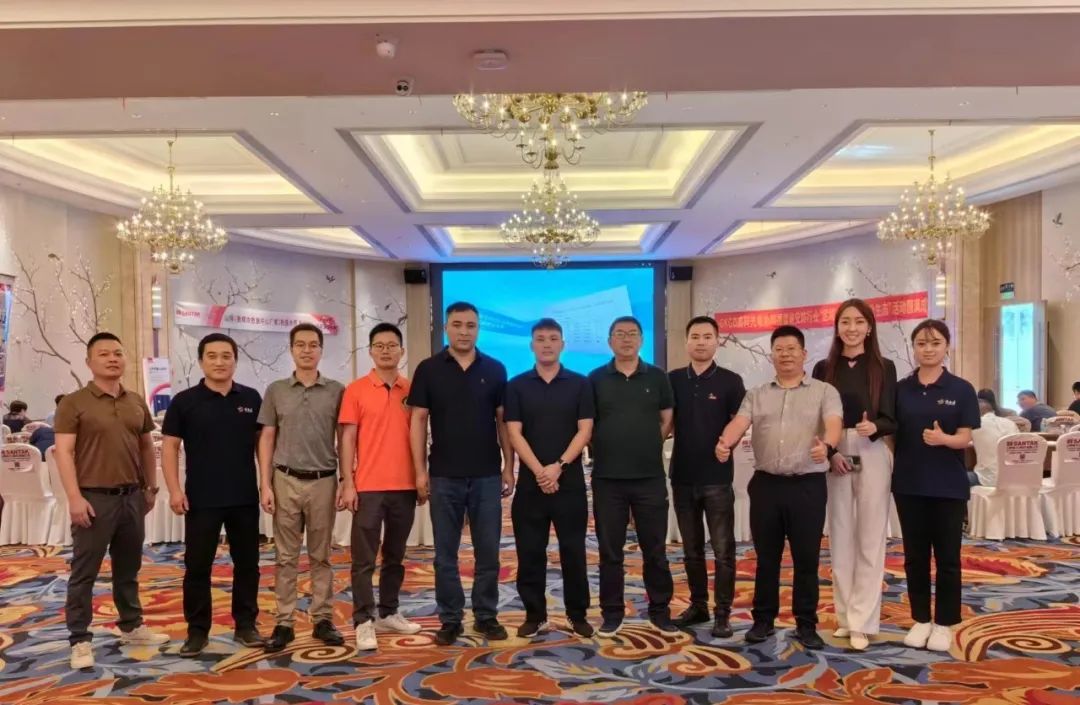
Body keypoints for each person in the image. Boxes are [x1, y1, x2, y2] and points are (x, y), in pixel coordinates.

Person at [715, 325, 842, 650]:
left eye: (791, 349)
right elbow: (739, 422)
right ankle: (763, 621)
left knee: (806, 559)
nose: (785, 355)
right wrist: (725, 442)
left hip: (807, 486)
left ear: (804, 354)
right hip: (767, 486)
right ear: (771, 355)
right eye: (779, 350)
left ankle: (806, 624)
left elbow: (834, 423)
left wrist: (827, 446)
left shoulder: (824, 391)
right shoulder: (757, 393)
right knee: (766, 558)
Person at [53, 332, 168, 670]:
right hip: (93, 498)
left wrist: (150, 488)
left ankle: (131, 626)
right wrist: (74, 498)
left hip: (132, 497)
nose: (113, 358)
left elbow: (146, 446)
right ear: (89, 362)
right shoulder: (73, 403)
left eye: (118, 353)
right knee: (84, 572)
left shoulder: (136, 401)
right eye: (104, 354)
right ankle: (79, 639)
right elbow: (64, 452)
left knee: (128, 568)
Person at [409, 302, 514, 646]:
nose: (464, 331)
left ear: (478, 329)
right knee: (445, 556)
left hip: (486, 476)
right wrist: (419, 471)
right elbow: (418, 421)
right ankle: (450, 619)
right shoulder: (428, 369)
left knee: (488, 553)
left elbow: (502, 422)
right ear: (446, 328)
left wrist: (509, 465)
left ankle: (486, 616)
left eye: (471, 325)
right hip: (443, 476)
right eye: (457, 324)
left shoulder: (495, 369)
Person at [161, 333, 266, 657]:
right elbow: (170, 447)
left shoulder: (251, 398)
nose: (219, 362)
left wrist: (266, 485)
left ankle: (246, 624)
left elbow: (262, 445)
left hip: (244, 497)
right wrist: (174, 490)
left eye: (226, 356)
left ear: (235, 360)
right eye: (212, 356)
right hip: (201, 498)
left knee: (248, 565)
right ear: (201, 361)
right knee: (197, 567)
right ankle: (197, 631)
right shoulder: (184, 401)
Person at [811, 299, 897, 651]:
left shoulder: (884, 367)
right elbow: (816, 418)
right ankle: (846, 617)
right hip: (834, 452)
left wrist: (874, 427)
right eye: (845, 322)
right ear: (836, 327)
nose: (851, 328)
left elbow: (891, 418)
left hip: (872, 449)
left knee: (871, 535)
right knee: (840, 534)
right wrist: (831, 454)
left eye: (858, 322)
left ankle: (864, 620)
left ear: (869, 327)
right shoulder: (823, 368)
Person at [892, 319, 979, 653]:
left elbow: (966, 438)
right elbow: (891, 436)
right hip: (909, 484)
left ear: (946, 347)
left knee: (947, 558)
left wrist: (944, 439)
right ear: (913, 348)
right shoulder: (901, 389)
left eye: (935, 343)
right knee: (914, 557)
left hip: (948, 485)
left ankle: (944, 623)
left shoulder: (961, 389)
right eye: (921, 343)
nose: (928, 349)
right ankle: (920, 619)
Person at [259, 323, 346, 653]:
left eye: (313, 345)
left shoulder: (337, 390)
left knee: (321, 555)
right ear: (291, 349)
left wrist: (346, 480)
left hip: (324, 480)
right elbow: (267, 438)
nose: (307, 350)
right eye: (300, 345)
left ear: (321, 350)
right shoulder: (276, 390)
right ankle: (284, 622)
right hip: (285, 480)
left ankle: (323, 618)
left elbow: (345, 438)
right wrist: (265, 484)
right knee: (286, 556)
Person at [505, 318, 595, 639]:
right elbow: (513, 432)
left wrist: (558, 466)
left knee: (574, 552)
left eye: (553, 338)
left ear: (563, 344)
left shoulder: (580, 384)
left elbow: (585, 430)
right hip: (531, 486)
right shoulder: (516, 385)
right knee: (530, 552)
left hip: (569, 483)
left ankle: (576, 614)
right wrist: (540, 471)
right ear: (532, 345)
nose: (547, 344)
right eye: (541, 339)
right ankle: (535, 615)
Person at [589, 316, 677, 638]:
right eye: (619, 334)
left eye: (632, 334)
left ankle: (660, 611)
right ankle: (612, 613)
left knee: (654, 549)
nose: (626, 339)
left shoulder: (657, 377)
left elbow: (667, 418)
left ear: (641, 339)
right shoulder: (595, 378)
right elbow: (587, 424)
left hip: (648, 477)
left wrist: (650, 442)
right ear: (609, 341)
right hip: (607, 479)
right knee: (609, 551)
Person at [339, 322, 423, 652]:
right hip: (368, 487)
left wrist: (421, 476)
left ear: (402, 351)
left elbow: (420, 435)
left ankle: (389, 612)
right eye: (379, 345)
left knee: (395, 556)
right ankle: (363, 619)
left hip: (405, 486)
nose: (386, 351)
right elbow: (347, 439)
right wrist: (348, 482)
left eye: (392, 345)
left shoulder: (412, 389)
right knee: (363, 560)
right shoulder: (356, 390)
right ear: (370, 351)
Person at [668, 316, 745, 639]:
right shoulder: (672, 379)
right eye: (695, 336)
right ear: (686, 341)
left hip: (717, 478)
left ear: (717, 341)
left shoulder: (731, 381)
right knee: (691, 550)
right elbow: (664, 423)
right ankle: (698, 605)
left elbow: (739, 422)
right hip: (682, 476)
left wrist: (728, 445)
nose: (701, 342)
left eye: (707, 337)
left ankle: (722, 613)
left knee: (724, 550)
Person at [969, 399, 1019, 487]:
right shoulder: (1010, 423)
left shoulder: (975, 424)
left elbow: (961, 442)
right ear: (992, 410)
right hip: (1016, 478)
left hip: (987, 479)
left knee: (950, 477)